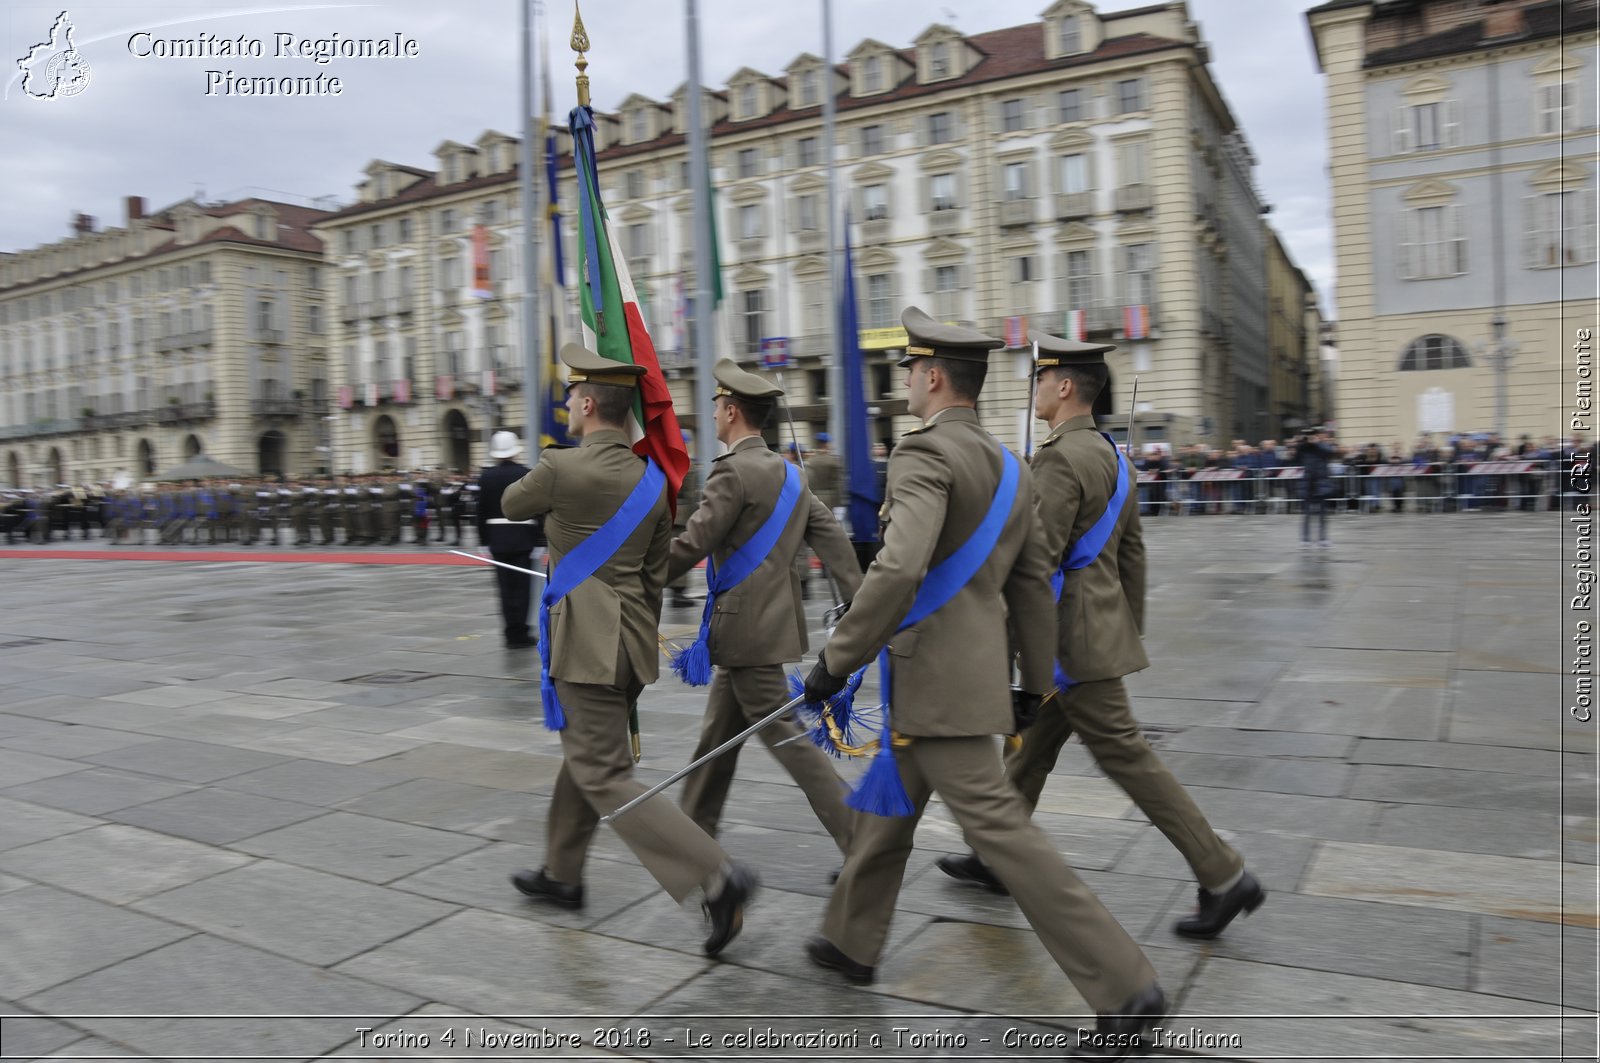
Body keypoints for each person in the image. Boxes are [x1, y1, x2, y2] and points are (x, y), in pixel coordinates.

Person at [801, 308, 1165, 1057]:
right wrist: (1032, 679)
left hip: (936, 683)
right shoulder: (1008, 463)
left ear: (933, 376)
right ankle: (849, 936)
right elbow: (1034, 583)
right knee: (890, 806)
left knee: (1003, 833)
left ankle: (1125, 985)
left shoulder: (922, 455)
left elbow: (898, 568)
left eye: (908, 367)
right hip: (966, 679)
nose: (904, 378)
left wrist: (836, 659)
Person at [936, 331, 1264, 941]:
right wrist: (1124, 629)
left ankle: (1223, 873)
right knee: (1031, 752)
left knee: (1131, 762)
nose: (1034, 389)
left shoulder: (1060, 458)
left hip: (1069, 645)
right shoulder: (1114, 455)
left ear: (1063, 388)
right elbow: (1133, 557)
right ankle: (994, 856)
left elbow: (1035, 563)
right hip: (1092, 636)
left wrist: (1002, 645)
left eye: (1039, 380)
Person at [501, 343, 756, 958]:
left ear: (589, 403)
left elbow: (511, 505)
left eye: (570, 396)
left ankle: (716, 876)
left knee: (603, 772)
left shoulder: (561, 468)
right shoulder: (652, 479)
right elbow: (654, 573)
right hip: (628, 645)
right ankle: (562, 874)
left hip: (582, 645)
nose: (565, 403)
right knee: (586, 758)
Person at [666, 358, 861, 855]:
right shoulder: (792, 475)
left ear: (731, 411)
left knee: (790, 743)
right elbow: (832, 537)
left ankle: (862, 837)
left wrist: (630, 579)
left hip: (743, 631)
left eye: (715, 407)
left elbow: (692, 544)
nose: (712, 415)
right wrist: (860, 599)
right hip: (761, 631)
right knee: (716, 740)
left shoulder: (730, 474)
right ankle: (694, 836)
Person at [476, 431, 539, 650]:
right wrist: (540, 541)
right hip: (523, 537)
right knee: (522, 588)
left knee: (504, 588)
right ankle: (521, 631)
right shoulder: (527, 474)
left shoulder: (486, 477)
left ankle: (510, 632)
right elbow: (537, 509)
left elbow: (480, 512)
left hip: (497, 539)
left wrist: (483, 540)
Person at [1296, 427, 1335, 548]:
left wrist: (1317, 442)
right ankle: (1305, 539)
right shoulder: (1305, 448)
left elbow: (1329, 452)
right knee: (1306, 514)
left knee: (1323, 515)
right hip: (1308, 485)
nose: (1314, 436)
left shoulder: (1324, 446)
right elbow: (1297, 456)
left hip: (1321, 485)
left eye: (1317, 435)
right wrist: (1304, 441)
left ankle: (1322, 538)